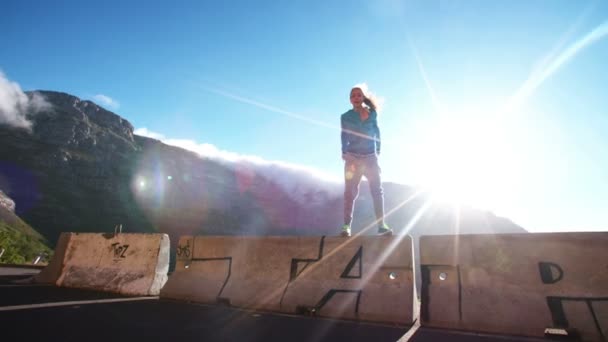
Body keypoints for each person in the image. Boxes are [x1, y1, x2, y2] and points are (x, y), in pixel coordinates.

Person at [340, 86, 392, 237]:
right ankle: (346, 226)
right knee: (350, 193)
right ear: (350, 100)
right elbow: (343, 134)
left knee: (377, 191)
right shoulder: (345, 116)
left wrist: (378, 150)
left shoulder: (372, 114)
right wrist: (344, 151)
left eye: (359, 95)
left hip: (370, 158)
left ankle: (382, 225)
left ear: (362, 98)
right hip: (353, 158)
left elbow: (377, 131)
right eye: (353, 96)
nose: (356, 97)